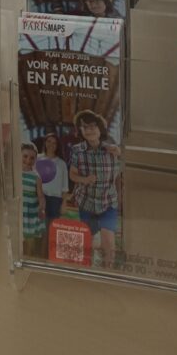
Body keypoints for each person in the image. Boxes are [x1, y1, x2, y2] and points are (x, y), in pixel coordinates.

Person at [67, 109, 120, 267]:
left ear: (100, 128)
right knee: (88, 240)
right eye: (85, 127)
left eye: (93, 126)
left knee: (108, 239)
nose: (89, 130)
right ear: (80, 130)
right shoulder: (77, 150)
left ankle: (108, 271)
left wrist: (121, 153)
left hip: (108, 202)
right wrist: (84, 179)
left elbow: (124, 168)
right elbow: (72, 175)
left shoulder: (112, 150)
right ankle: (88, 269)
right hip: (86, 203)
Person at [38, 132, 69, 234]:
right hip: (39, 197)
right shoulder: (37, 159)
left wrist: (64, 203)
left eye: (54, 143)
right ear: (45, 142)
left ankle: (48, 245)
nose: (51, 144)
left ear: (57, 146)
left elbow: (64, 186)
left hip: (55, 200)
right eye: (49, 141)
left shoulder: (61, 163)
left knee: (51, 230)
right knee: (39, 228)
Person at [21, 143, 46, 257]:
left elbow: (40, 195)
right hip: (18, 211)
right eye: (25, 156)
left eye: (32, 158)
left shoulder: (36, 177)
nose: (28, 160)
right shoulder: (15, 173)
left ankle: (29, 257)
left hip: (30, 212)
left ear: (35, 159)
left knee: (29, 238)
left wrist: (42, 208)